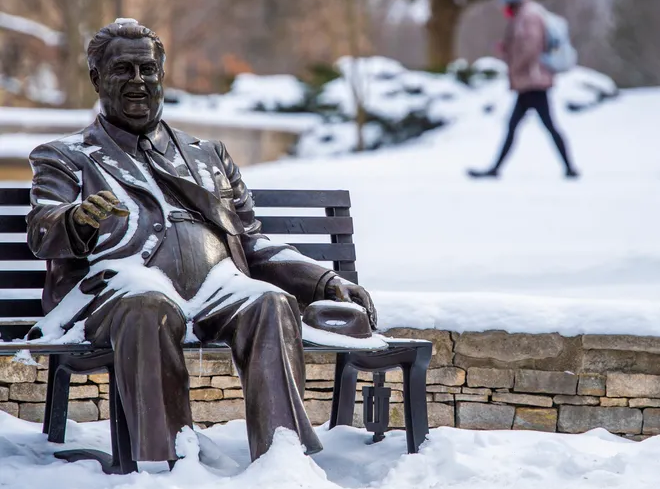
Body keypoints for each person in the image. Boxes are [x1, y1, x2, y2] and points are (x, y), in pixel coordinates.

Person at [26, 19, 377, 466]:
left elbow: (251, 242)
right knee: (148, 305)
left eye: (148, 70)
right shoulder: (65, 156)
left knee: (269, 301)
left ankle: (283, 460)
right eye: (123, 70)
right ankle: (166, 464)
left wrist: (323, 280)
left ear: (162, 76)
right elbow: (42, 228)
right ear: (97, 78)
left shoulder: (208, 156)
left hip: (218, 288)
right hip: (120, 293)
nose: (139, 81)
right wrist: (77, 219)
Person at [468, 0, 579, 179]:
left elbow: (531, 46)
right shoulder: (525, 15)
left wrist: (516, 65)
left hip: (533, 81)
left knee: (544, 126)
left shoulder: (529, 16)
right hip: (528, 82)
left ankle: (570, 168)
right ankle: (496, 168)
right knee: (516, 126)